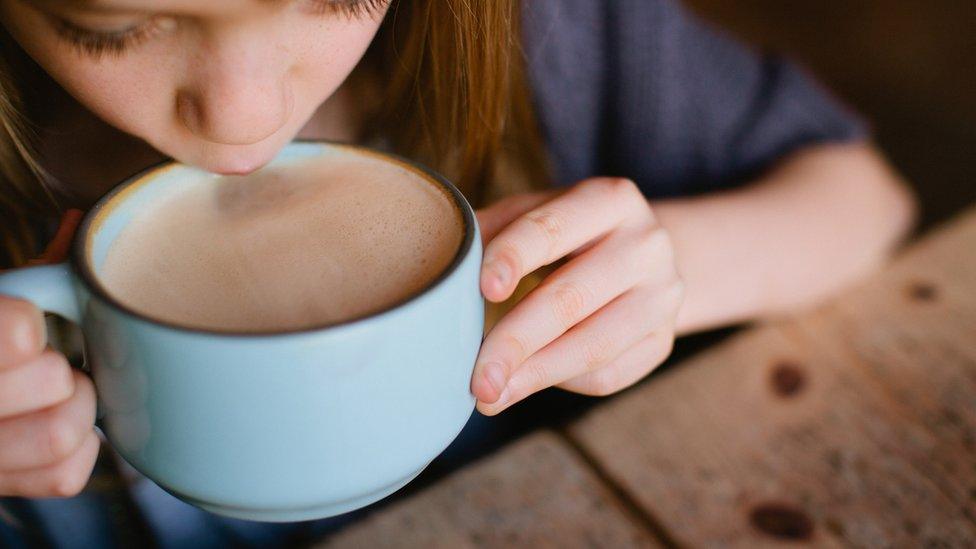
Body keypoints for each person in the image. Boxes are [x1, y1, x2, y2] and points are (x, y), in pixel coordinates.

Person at [0, 0, 915, 546]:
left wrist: (664, 272)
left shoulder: (547, 30)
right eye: (110, 28)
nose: (246, 116)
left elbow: (864, 195)